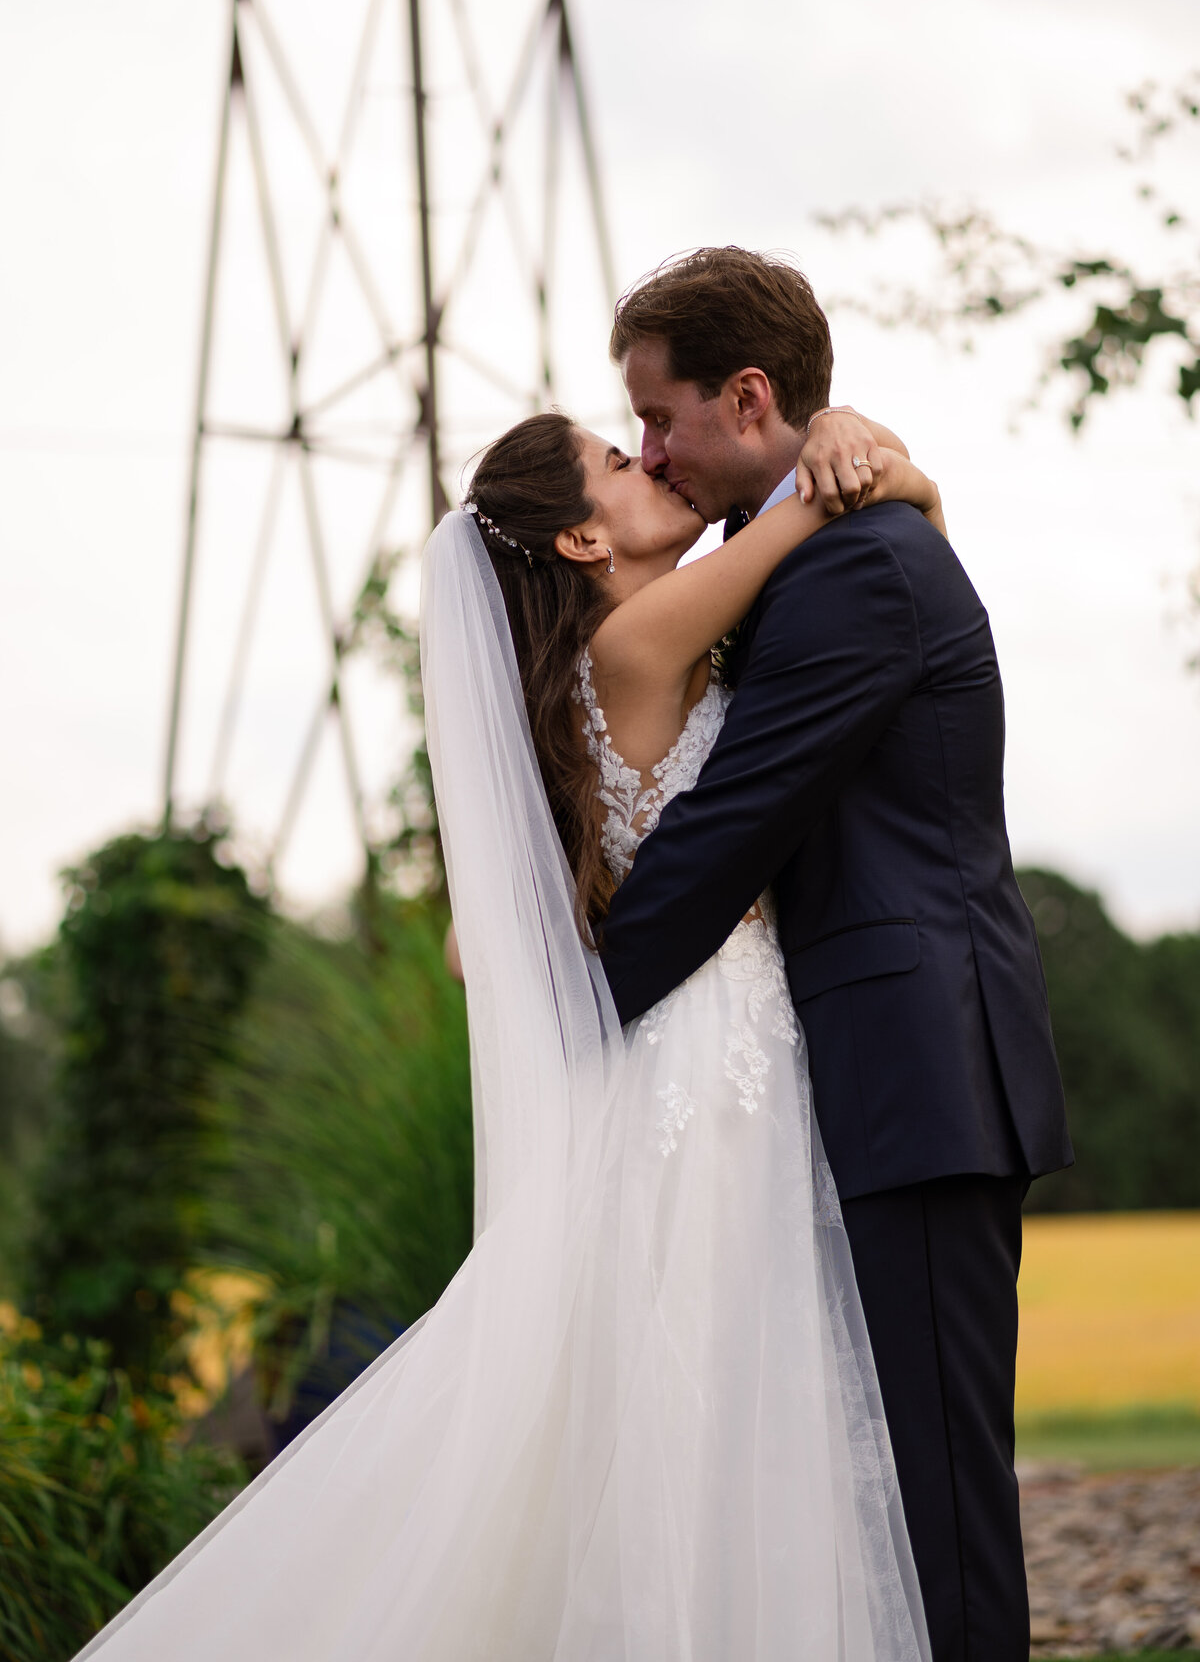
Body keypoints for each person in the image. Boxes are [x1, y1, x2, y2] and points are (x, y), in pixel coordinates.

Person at [74, 396, 944, 1660]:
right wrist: (852, 446)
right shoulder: (642, 640)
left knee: (690, 1412)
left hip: (707, 1053)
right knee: (712, 1411)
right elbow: (846, 508)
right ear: (584, 545)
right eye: (615, 460)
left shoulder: (609, 668)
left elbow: (474, 942)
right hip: (710, 1065)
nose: (647, 459)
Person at [598, 247, 1074, 1662]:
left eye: (661, 415)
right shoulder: (820, 545)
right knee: (881, 1496)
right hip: (877, 1077)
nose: (648, 450)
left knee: (936, 1509)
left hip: (919, 1082)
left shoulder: (858, 567)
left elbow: (731, 831)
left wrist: (571, 1014)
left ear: (748, 397)